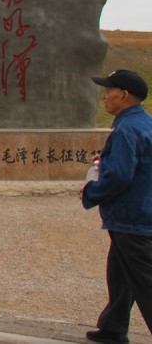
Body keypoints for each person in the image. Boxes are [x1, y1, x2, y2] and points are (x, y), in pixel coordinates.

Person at [82, 69, 152, 343]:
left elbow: (121, 174)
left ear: (123, 95)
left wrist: (91, 192)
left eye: (108, 91)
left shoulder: (126, 129)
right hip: (140, 212)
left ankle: (114, 326)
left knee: (145, 281)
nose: (104, 97)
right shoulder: (143, 123)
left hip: (132, 216)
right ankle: (113, 327)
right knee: (120, 272)